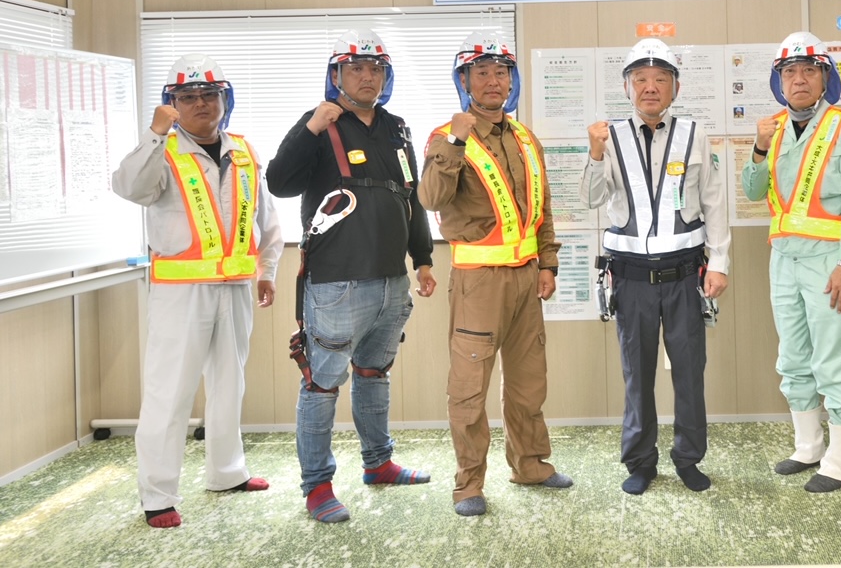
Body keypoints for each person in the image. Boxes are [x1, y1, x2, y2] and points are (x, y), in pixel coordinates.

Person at [265, 29, 436, 523]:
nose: (367, 76)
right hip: (335, 284)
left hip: (391, 280)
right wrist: (310, 128)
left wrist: (423, 258)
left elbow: (410, 196)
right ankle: (317, 487)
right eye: (356, 68)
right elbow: (278, 183)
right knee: (321, 385)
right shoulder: (321, 124)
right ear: (337, 75)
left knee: (373, 375)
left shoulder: (397, 128)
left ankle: (378, 463)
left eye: (375, 68)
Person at [112, 54, 283, 529]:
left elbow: (265, 217)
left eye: (210, 94)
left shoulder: (244, 150)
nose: (201, 103)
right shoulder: (162, 150)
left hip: (236, 288)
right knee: (169, 394)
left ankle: (227, 472)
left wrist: (267, 269)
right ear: (172, 103)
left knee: (230, 385)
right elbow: (129, 188)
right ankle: (157, 495)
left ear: (226, 99)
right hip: (181, 293)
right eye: (187, 97)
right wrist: (154, 133)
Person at [419, 29, 571, 517]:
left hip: (527, 278)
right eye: (481, 71)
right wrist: (456, 140)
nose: (492, 80)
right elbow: (431, 199)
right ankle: (468, 485)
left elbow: (542, 208)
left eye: (501, 71)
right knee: (469, 387)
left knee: (529, 381)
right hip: (479, 283)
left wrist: (547, 263)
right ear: (464, 80)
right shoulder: (446, 137)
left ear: (511, 79)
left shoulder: (525, 137)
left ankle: (530, 464)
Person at [580, 38, 731, 495]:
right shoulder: (609, 138)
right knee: (637, 374)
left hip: (686, 275)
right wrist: (594, 154)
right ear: (627, 87)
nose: (650, 87)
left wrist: (720, 262)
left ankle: (688, 457)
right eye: (641, 79)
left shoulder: (694, 134)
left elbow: (714, 202)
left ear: (675, 87)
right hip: (631, 278)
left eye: (660, 79)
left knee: (689, 372)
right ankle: (640, 461)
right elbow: (590, 199)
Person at [741, 31, 841, 492]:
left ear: (824, 79)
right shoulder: (773, 129)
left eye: (809, 71)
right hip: (783, 258)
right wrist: (758, 148)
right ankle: (808, 446)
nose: (799, 79)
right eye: (789, 72)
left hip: (829, 260)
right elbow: (753, 192)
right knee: (793, 357)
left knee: (834, 358)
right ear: (779, 81)